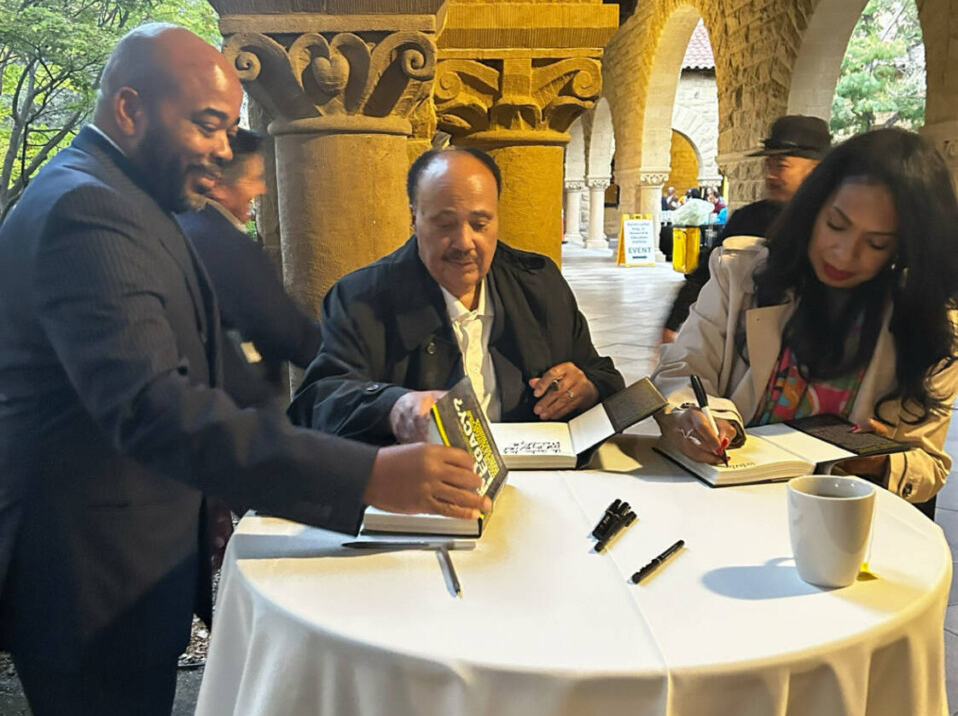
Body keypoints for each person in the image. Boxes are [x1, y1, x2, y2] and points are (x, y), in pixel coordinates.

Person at [0, 25, 488, 716]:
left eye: (229, 127)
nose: (225, 149)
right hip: (84, 572)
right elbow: (156, 409)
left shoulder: (133, 200)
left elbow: (206, 371)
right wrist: (368, 474)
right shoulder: (86, 212)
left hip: (129, 545)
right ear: (129, 108)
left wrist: (259, 474)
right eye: (206, 123)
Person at [652, 127, 958, 503]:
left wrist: (880, 462)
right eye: (836, 225)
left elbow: (930, 466)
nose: (845, 254)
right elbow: (681, 370)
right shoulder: (741, 274)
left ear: (905, 248)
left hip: (836, 517)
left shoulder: (930, 326)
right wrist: (692, 413)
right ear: (814, 208)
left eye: (876, 243)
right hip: (724, 500)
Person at [289, 146, 624, 443]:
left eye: (480, 224)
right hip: (421, 481)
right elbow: (318, 403)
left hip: (541, 477)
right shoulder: (361, 298)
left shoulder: (539, 284)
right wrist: (393, 407)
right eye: (445, 224)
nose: (464, 243)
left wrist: (586, 387)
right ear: (414, 218)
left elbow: (603, 376)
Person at [178, 127, 322, 407]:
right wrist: (350, 357)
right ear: (218, 184)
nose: (262, 189)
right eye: (254, 179)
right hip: (235, 407)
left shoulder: (181, 225)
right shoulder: (224, 243)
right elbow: (285, 330)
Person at [663, 115, 831, 340]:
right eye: (768, 165)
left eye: (781, 166)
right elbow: (704, 274)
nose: (771, 175)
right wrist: (672, 324)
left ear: (815, 170)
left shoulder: (836, 225)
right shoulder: (749, 219)